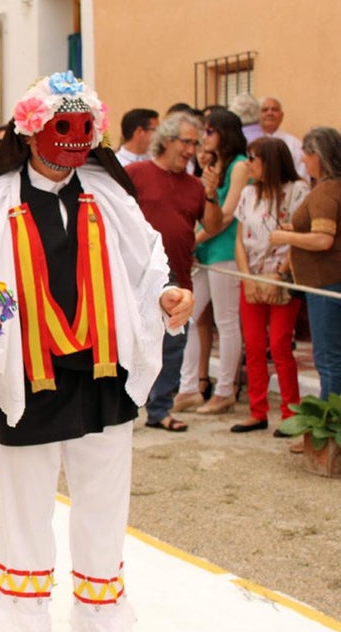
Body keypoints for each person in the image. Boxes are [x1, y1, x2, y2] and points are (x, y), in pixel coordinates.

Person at [0, 72, 192, 632]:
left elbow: (149, 261)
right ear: (31, 132)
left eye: (85, 131)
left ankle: (102, 626)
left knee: (104, 501)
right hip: (27, 376)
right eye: (62, 130)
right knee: (26, 505)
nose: (74, 143)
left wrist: (166, 295)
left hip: (101, 372)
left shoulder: (110, 194)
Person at [126, 112, 222, 433]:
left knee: (172, 345)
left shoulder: (195, 185)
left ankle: (160, 409)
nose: (191, 149)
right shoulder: (136, 173)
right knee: (129, 342)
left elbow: (212, 225)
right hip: (135, 276)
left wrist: (210, 194)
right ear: (166, 140)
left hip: (178, 275)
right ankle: (123, 406)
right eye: (186, 141)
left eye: (196, 143)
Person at [270, 127, 341, 403]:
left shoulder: (326, 191)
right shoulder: (338, 187)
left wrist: (284, 236)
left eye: (307, 153)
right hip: (333, 278)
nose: (303, 158)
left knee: (328, 357)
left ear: (319, 156)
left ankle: (330, 424)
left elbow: (323, 239)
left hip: (327, 280)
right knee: (338, 354)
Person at [232, 137, 309, 433]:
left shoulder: (298, 191)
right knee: (252, 345)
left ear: (271, 161)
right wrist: (246, 277)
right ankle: (258, 410)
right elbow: (238, 239)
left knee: (279, 344)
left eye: (253, 159)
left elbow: (298, 238)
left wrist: (279, 274)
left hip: (282, 277)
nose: (248, 165)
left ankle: (291, 413)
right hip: (250, 278)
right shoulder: (249, 192)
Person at [174, 109, 248, 415]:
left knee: (227, 322)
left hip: (225, 251)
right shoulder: (212, 164)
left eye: (208, 131)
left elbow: (228, 213)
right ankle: (189, 387)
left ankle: (225, 390)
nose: (203, 138)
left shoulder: (240, 165)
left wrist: (193, 239)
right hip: (205, 251)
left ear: (223, 132)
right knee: (189, 317)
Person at [257, 97, 306, 177]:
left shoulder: (294, 143)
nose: (270, 113)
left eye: (274, 109)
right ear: (257, 115)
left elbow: (302, 173)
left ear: (282, 115)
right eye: (264, 110)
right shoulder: (250, 141)